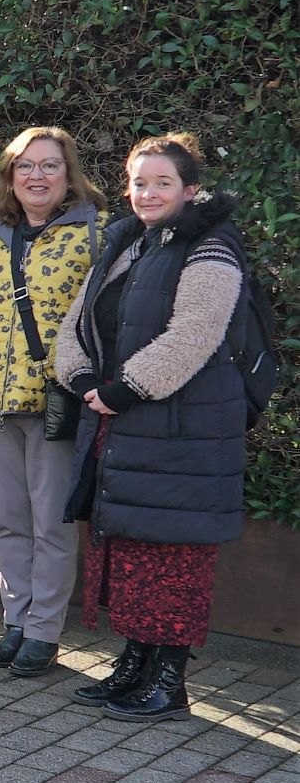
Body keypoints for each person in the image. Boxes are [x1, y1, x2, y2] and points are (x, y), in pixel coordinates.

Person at [56, 134, 247, 722]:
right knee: (131, 553)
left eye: (163, 182)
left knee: (174, 559)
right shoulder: (128, 244)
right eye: (139, 182)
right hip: (128, 429)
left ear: (190, 190)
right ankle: (135, 664)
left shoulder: (211, 246)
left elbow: (196, 332)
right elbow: (78, 323)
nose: (148, 193)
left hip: (182, 433)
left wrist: (125, 388)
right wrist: (81, 375)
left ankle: (169, 682)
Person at [0, 126, 106, 675]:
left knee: (51, 523)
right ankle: (15, 623)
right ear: (10, 176)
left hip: (55, 399)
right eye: (25, 166)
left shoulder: (95, 232)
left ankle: (44, 630)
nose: (36, 176)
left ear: (68, 173)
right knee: (9, 520)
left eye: (49, 165)